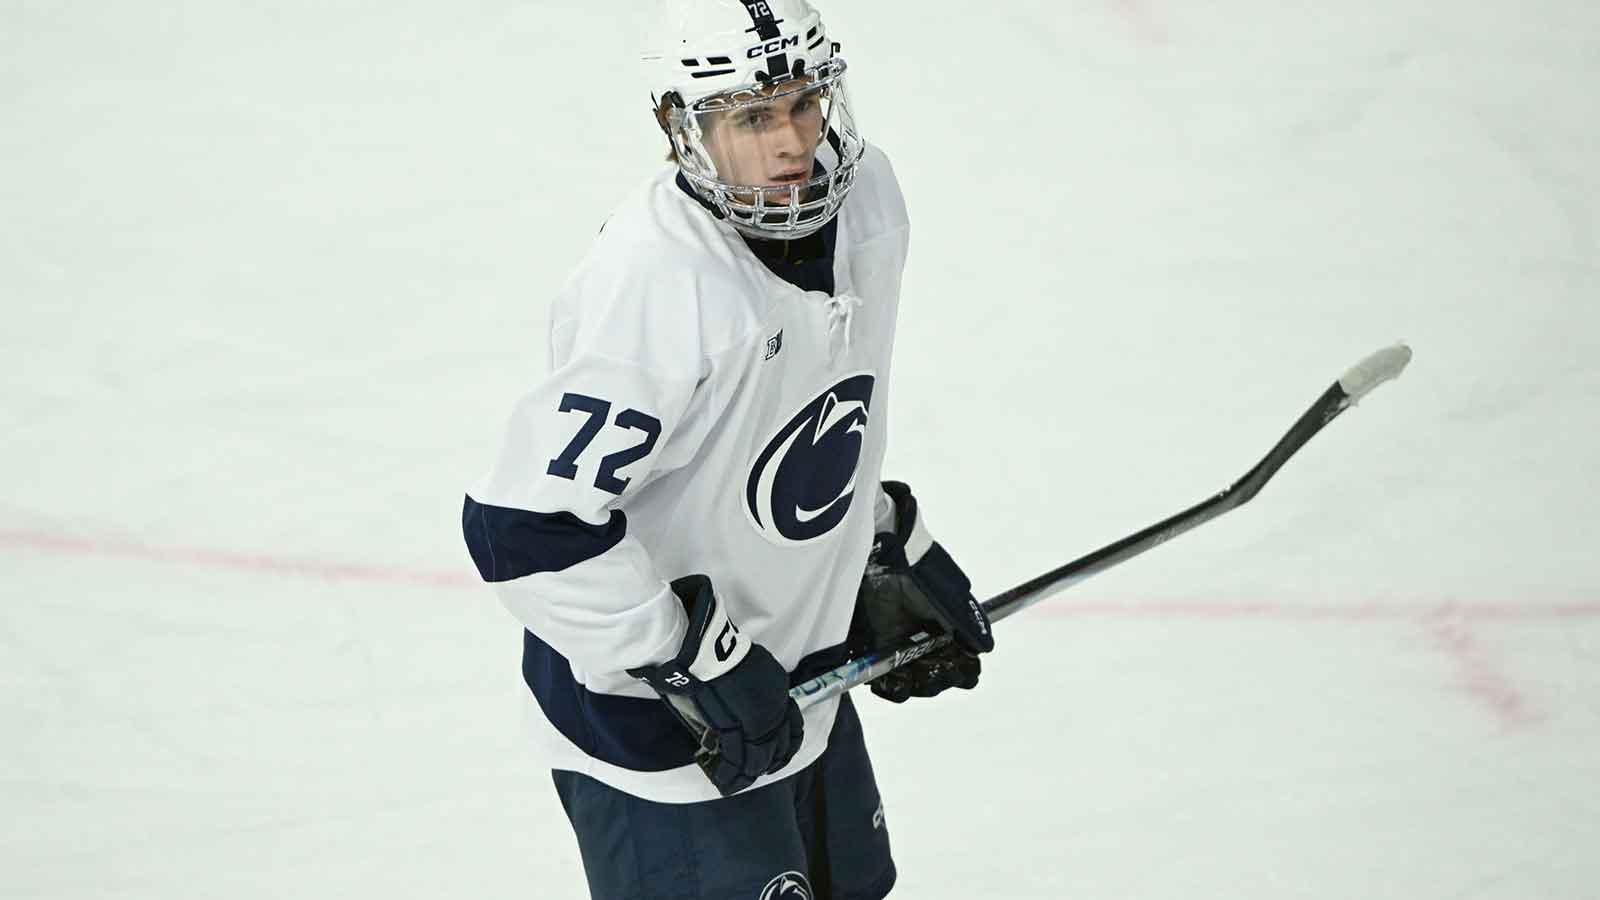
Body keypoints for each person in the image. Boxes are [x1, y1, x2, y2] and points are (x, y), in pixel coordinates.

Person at [462, 2, 994, 897]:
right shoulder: (657, 284)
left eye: (803, 104)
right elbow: (524, 530)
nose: (791, 143)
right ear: (681, 129)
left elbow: (803, 415)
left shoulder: (868, 200)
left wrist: (879, 541)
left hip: (797, 686)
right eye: (750, 119)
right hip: (665, 735)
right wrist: (687, 655)